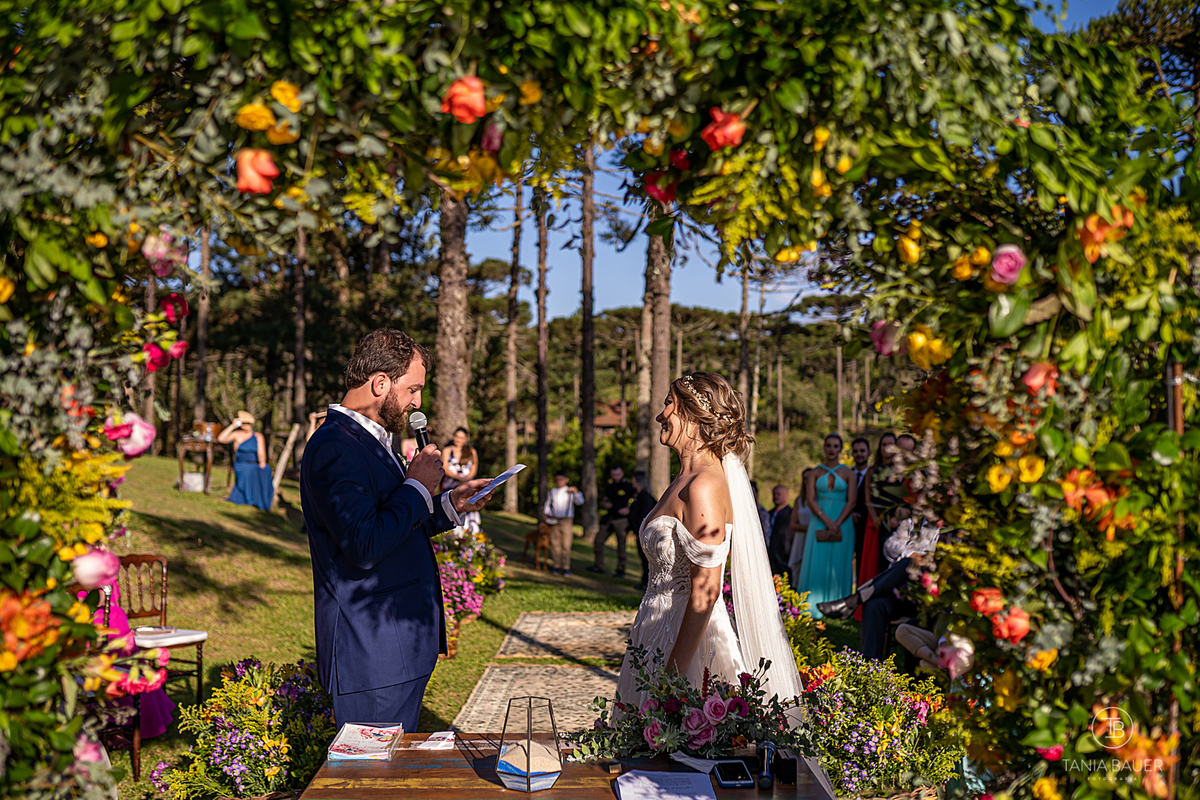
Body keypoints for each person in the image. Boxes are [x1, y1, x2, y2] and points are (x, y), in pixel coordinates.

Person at [611, 372, 836, 796]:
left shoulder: (706, 486)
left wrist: (671, 682)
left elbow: (706, 590)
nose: (661, 413)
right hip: (653, 635)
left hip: (689, 648)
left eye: (670, 405)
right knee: (642, 769)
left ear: (696, 415)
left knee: (683, 777)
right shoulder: (681, 480)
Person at [301, 329, 494, 731]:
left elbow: (392, 521)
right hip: (371, 654)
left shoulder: (370, 440)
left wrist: (449, 503)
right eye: (414, 389)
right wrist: (417, 485)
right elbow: (365, 543)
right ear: (380, 383)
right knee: (369, 784)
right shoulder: (334, 445)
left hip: (398, 646)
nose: (418, 402)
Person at [795, 432, 857, 618]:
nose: (831, 449)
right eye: (828, 445)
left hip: (843, 523)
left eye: (835, 446)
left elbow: (851, 501)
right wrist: (827, 521)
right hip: (819, 521)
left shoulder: (848, 473)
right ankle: (813, 604)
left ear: (840, 449)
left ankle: (840, 605)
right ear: (824, 448)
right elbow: (811, 500)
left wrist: (837, 523)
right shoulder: (815, 472)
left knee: (839, 564)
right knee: (817, 561)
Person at [218, 411, 273, 510]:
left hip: (254, 463)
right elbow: (221, 439)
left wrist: (262, 462)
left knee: (266, 470)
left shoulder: (258, 436)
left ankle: (262, 500)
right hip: (241, 464)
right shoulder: (237, 434)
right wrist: (232, 426)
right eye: (243, 424)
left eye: (247, 424)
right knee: (249, 471)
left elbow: (261, 451)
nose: (245, 426)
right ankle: (247, 497)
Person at [588, 466, 634, 577]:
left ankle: (620, 569)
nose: (616, 477)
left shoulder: (628, 486)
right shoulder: (610, 486)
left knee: (621, 545)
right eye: (613, 475)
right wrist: (605, 504)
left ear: (622, 473)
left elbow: (636, 500)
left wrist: (629, 508)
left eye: (617, 474)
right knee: (598, 540)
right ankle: (599, 566)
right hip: (609, 518)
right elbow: (605, 499)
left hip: (621, 520)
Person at [542, 471, 583, 576]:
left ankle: (566, 567)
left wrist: (576, 491)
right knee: (555, 543)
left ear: (566, 480)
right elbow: (548, 504)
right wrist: (546, 514)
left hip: (566, 520)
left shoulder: (570, 491)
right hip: (554, 519)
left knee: (566, 543)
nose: (558, 482)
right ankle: (556, 565)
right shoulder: (552, 491)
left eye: (561, 479)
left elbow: (580, 501)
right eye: (557, 480)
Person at [442, 427, 482, 533]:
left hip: (468, 487)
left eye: (461, 438)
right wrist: (458, 478)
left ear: (465, 439)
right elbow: (444, 467)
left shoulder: (471, 452)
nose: (458, 440)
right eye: (457, 437)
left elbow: (474, 468)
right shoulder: (447, 450)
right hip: (450, 486)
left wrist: (466, 480)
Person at [628, 470, 656, 591]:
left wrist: (642, 531)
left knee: (646, 559)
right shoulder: (638, 495)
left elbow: (644, 515)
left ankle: (647, 582)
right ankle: (645, 581)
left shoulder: (644, 496)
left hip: (644, 533)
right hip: (638, 531)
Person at [787, 468, 814, 587]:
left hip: (814, 539)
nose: (807, 481)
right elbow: (793, 524)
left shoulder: (819, 500)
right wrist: (809, 528)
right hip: (801, 538)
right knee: (797, 569)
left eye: (810, 478)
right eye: (805, 478)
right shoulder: (800, 500)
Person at [849, 437, 871, 571]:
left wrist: (861, 515)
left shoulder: (874, 475)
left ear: (869, 453)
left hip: (867, 526)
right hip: (847, 525)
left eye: (862, 451)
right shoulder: (846, 475)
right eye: (856, 451)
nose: (859, 454)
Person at [766, 484, 793, 577]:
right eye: (774, 494)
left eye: (779, 494)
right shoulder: (769, 514)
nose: (776, 497)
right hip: (770, 556)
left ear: (786, 496)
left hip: (784, 556)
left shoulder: (791, 514)